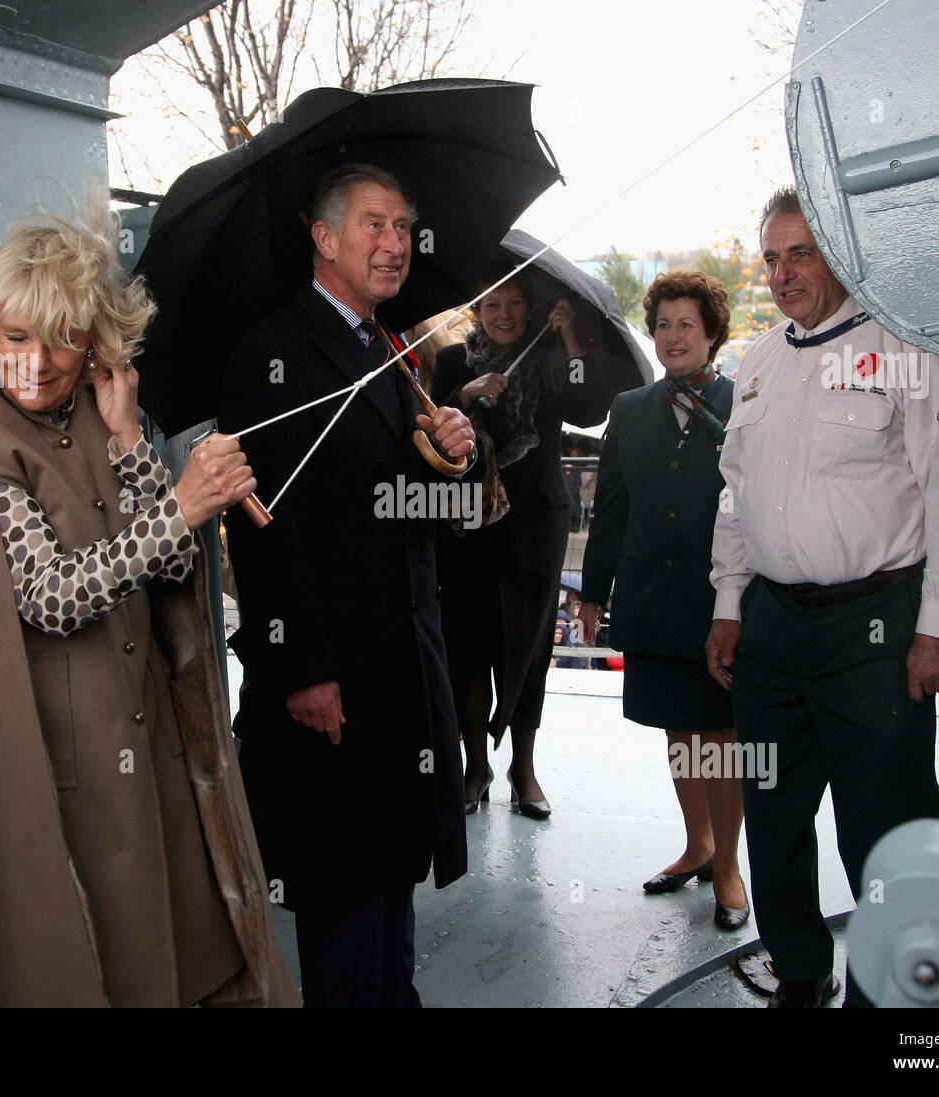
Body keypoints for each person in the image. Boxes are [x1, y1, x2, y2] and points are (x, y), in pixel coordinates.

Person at [0, 201, 299, 1007]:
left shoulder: (100, 416)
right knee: (65, 967)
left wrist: (133, 441)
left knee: (157, 964)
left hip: (145, 762)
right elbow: (47, 595)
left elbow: (168, 562)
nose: (35, 362)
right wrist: (184, 503)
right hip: (47, 775)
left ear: (95, 342)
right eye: (15, 336)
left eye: (62, 338)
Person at [704, 186, 939, 1006]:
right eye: (771, 256)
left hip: (877, 627)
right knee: (773, 811)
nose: (784, 272)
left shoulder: (904, 351)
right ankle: (800, 967)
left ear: (839, 252)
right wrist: (729, 602)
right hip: (772, 627)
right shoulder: (756, 364)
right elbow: (735, 492)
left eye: (801, 253)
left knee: (888, 821)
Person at [217, 164, 479, 1008]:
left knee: (389, 882)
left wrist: (452, 448)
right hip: (333, 678)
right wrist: (302, 670)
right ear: (324, 239)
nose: (396, 243)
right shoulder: (272, 355)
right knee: (342, 897)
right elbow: (264, 528)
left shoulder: (393, 349)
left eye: (404, 226)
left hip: (402, 668)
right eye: (374, 225)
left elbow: (414, 510)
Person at [579, 270, 748, 930]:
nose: (673, 335)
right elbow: (611, 506)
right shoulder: (629, 408)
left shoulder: (747, 403)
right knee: (679, 729)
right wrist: (595, 592)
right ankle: (697, 845)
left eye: (687, 323)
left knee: (721, 736)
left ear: (711, 333)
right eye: (664, 324)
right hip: (651, 596)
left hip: (721, 603)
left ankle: (730, 869)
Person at [433, 268, 617, 818]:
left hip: (537, 518)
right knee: (467, 641)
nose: (505, 313)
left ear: (530, 308)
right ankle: (473, 766)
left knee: (529, 644)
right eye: (494, 303)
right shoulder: (452, 362)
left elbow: (591, 407)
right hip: (468, 522)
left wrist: (568, 337)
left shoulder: (550, 356)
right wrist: (467, 395)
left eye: (515, 302)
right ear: (478, 309)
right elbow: (426, 425)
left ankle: (524, 766)